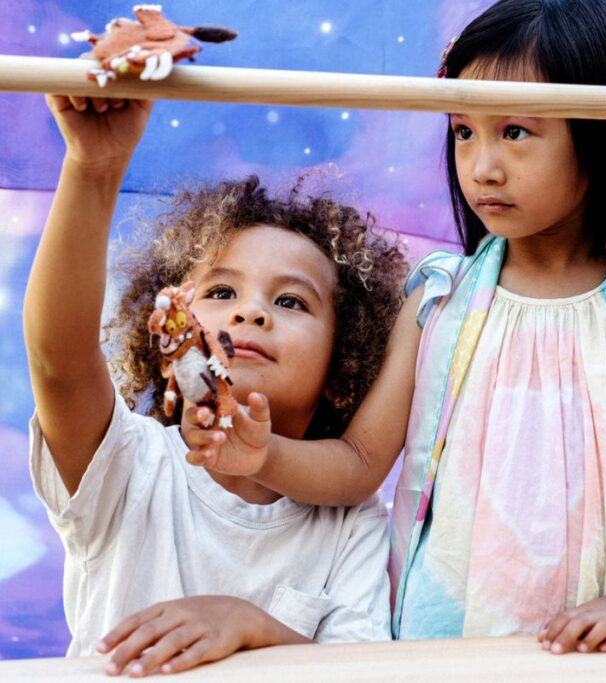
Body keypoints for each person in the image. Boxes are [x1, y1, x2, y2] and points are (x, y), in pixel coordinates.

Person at [184, 0, 606, 654]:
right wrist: (266, 455)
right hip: (448, 647)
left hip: (605, 650)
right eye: (464, 131)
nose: (482, 166)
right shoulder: (439, 301)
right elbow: (360, 462)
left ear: (603, 132)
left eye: (515, 132)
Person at [24, 93, 406, 675]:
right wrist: (92, 166)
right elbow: (58, 361)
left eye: (290, 300)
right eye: (221, 293)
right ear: (165, 333)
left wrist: (248, 625)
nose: (250, 313)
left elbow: (358, 671)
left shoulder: (353, 520)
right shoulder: (128, 464)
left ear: (343, 370)